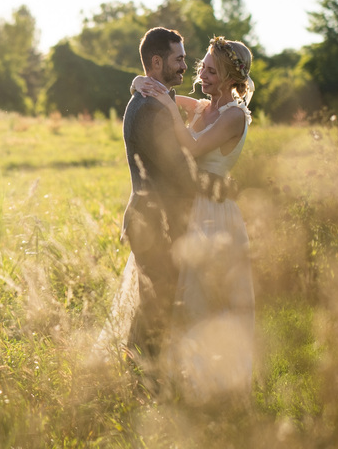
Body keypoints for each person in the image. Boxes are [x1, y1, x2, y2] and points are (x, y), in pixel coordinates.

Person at [132, 36, 255, 405]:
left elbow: (192, 147)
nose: (201, 73)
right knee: (186, 296)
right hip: (191, 209)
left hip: (215, 215)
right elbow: (156, 91)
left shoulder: (234, 115)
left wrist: (170, 111)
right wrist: (141, 82)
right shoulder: (204, 105)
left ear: (232, 77)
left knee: (209, 297)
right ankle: (185, 382)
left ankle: (217, 386)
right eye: (201, 65)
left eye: (211, 70)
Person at [97, 27, 209, 367]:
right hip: (152, 222)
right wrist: (217, 187)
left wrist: (136, 80)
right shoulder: (150, 109)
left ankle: (144, 373)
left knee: (157, 301)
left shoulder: (157, 98)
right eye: (178, 60)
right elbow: (178, 170)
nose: (184, 67)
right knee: (157, 304)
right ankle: (144, 379)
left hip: (157, 219)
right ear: (157, 61)